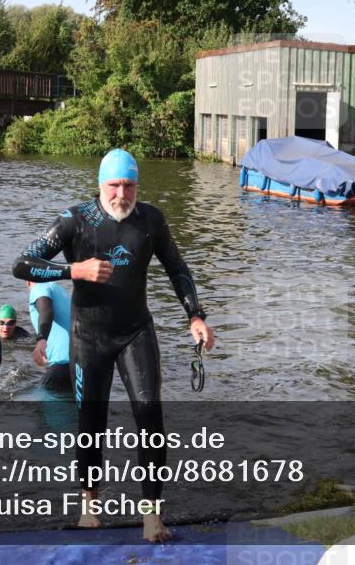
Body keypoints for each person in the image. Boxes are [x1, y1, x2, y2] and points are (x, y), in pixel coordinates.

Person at [13, 148, 214, 542]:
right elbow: (22, 263)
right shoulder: (75, 220)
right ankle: (90, 506)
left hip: (135, 331)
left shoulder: (150, 220)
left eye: (129, 185)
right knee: (91, 424)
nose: (121, 193)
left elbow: (177, 267)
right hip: (88, 336)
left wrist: (195, 315)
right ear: (100, 185)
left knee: (150, 418)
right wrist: (75, 268)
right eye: (114, 185)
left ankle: (152, 517)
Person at [27, 281, 72, 391]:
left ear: (28, 280)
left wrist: (41, 339)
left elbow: (46, 311)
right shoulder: (59, 289)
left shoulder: (39, 288)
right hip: (81, 364)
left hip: (64, 364)